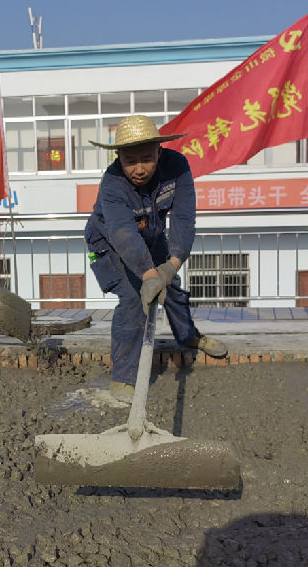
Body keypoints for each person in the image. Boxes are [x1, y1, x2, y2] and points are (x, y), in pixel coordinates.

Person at [84, 115, 228, 402]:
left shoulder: (177, 167)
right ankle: (124, 378)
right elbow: (123, 233)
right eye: (130, 161)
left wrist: (170, 267)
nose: (139, 169)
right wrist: (149, 275)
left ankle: (188, 336)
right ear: (118, 156)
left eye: (147, 159)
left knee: (170, 287)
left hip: (151, 235)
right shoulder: (112, 183)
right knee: (133, 298)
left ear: (159, 152)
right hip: (110, 242)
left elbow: (184, 220)